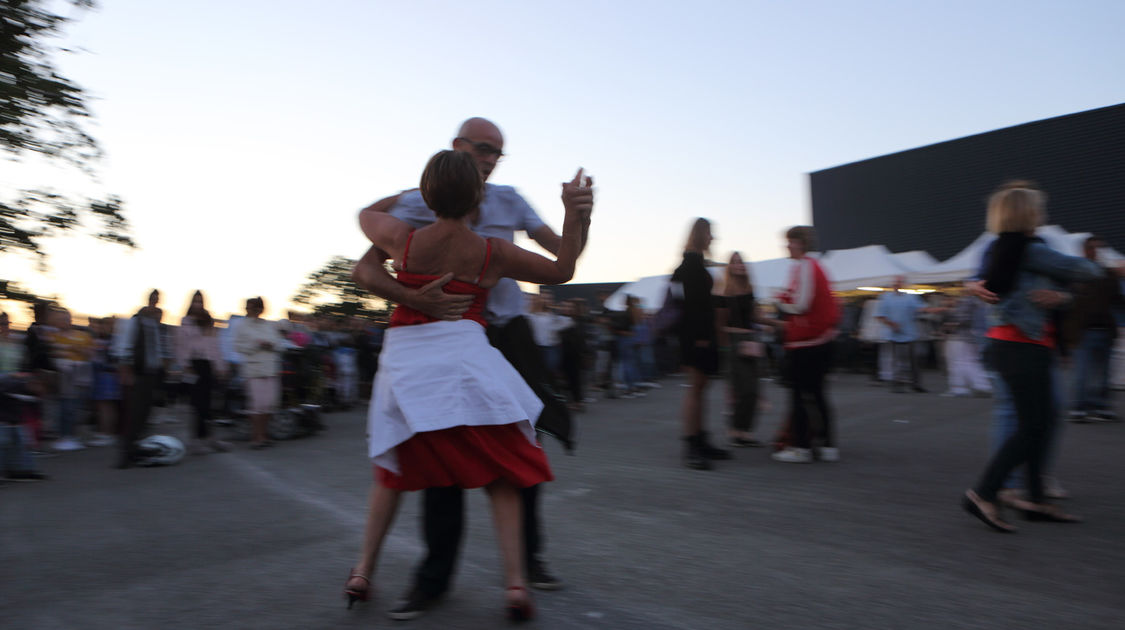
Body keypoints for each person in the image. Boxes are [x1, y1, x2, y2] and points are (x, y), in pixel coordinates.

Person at [350, 118, 584, 619]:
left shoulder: (410, 231)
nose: (491, 157)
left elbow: (366, 222)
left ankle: (522, 562)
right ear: (461, 152)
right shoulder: (478, 244)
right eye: (482, 149)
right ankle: (486, 579)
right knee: (501, 459)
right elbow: (563, 268)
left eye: (497, 151)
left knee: (418, 458)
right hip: (464, 340)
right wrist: (578, 214)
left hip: (449, 346)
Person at [962, 182, 1107, 532]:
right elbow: (1088, 271)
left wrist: (1059, 296)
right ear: (1026, 213)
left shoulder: (1002, 249)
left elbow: (981, 282)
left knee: (1040, 422)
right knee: (1031, 424)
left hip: (1022, 345)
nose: (1043, 214)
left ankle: (1035, 499)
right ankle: (986, 492)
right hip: (1021, 346)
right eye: (1039, 208)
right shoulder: (1031, 250)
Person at [772, 226, 840, 464]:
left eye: (790, 242)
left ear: (800, 243)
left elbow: (801, 305)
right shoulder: (815, 266)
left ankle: (801, 448)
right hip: (819, 341)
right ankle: (828, 445)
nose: (787, 246)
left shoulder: (804, 267)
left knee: (800, 396)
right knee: (818, 394)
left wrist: (780, 302)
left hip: (806, 343)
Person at [672, 218, 730, 470]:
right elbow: (692, 307)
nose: (712, 238)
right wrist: (701, 337)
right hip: (697, 337)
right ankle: (692, 445)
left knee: (700, 387)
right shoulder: (691, 267)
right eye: (709, 233)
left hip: (698, 335)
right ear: (699, 235)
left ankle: (699, 439)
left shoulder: (691, 266)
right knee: (695, 388)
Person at [1064, 236, 1123, 422]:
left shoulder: (1108, 274)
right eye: (1093, 248)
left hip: (1104, 329)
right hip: (1083, 331)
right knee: (1082, 371)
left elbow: (1118, 300)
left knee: (1103, 372)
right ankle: (1080, 407)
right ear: (1085, 250)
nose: (1097, 251)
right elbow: (1068, 306)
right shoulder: (1076, 273)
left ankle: (1099, 405)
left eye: (1099, 248)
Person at [111, 293, 166, 469]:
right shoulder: (136, 321)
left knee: (144, 414)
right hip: (138, 373)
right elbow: (127, 346)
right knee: (133, 415)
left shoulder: (154, 325)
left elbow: (157, 349)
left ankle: (136, 449)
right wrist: (126, 369)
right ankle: (126, 453)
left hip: (150, 372)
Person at [717, 252, 765, 447]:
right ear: (729, 266)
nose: (738, 265)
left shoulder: (749, 288)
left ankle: (745, 431)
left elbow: (755, 317)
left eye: (741, 262)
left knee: (754, 390)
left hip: (751, 340)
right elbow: (719, 323)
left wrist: (776, 323)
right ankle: (736, 429)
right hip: (734, 340)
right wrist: (726, 346)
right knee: (741, 389)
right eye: (734, 262)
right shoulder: (724, 290)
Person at [175, 291, 230, 454]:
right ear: (191, 303)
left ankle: (209, 437)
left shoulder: (208, 321)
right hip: (193, 364)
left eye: (200, 302)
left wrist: (221, 366)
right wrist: (185, 364)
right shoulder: (186, 322)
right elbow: (181, 346)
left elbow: (214, 346)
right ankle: (196, 440)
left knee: (208, 404)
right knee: (197, 404)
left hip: (208, 365)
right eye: (195, 302)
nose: (198, 305)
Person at [233, 297, 283, 449]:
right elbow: (238, 347)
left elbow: (279, 344)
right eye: (250, 308)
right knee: (257, 405)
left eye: (256, 308)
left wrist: (271, 344)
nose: (253, 311)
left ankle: (264, 434)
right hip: (253, 370)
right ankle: (256, 437)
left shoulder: (268, 325)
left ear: (261, 309)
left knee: (269, 404)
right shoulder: (241, 326)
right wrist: (256, 345)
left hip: (270, 368)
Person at [875, 276, 928, 393]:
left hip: (910, 333)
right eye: (896, 282)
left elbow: (921, 309)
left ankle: (915, 384)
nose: (898, 284)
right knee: (897, 360)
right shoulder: (886, 298)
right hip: (894, 334)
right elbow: (880, 315)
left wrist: (936, 309)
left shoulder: (911, 297)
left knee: (914, 360)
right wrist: (891, 324)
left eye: (900, 282)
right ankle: (897, 384)